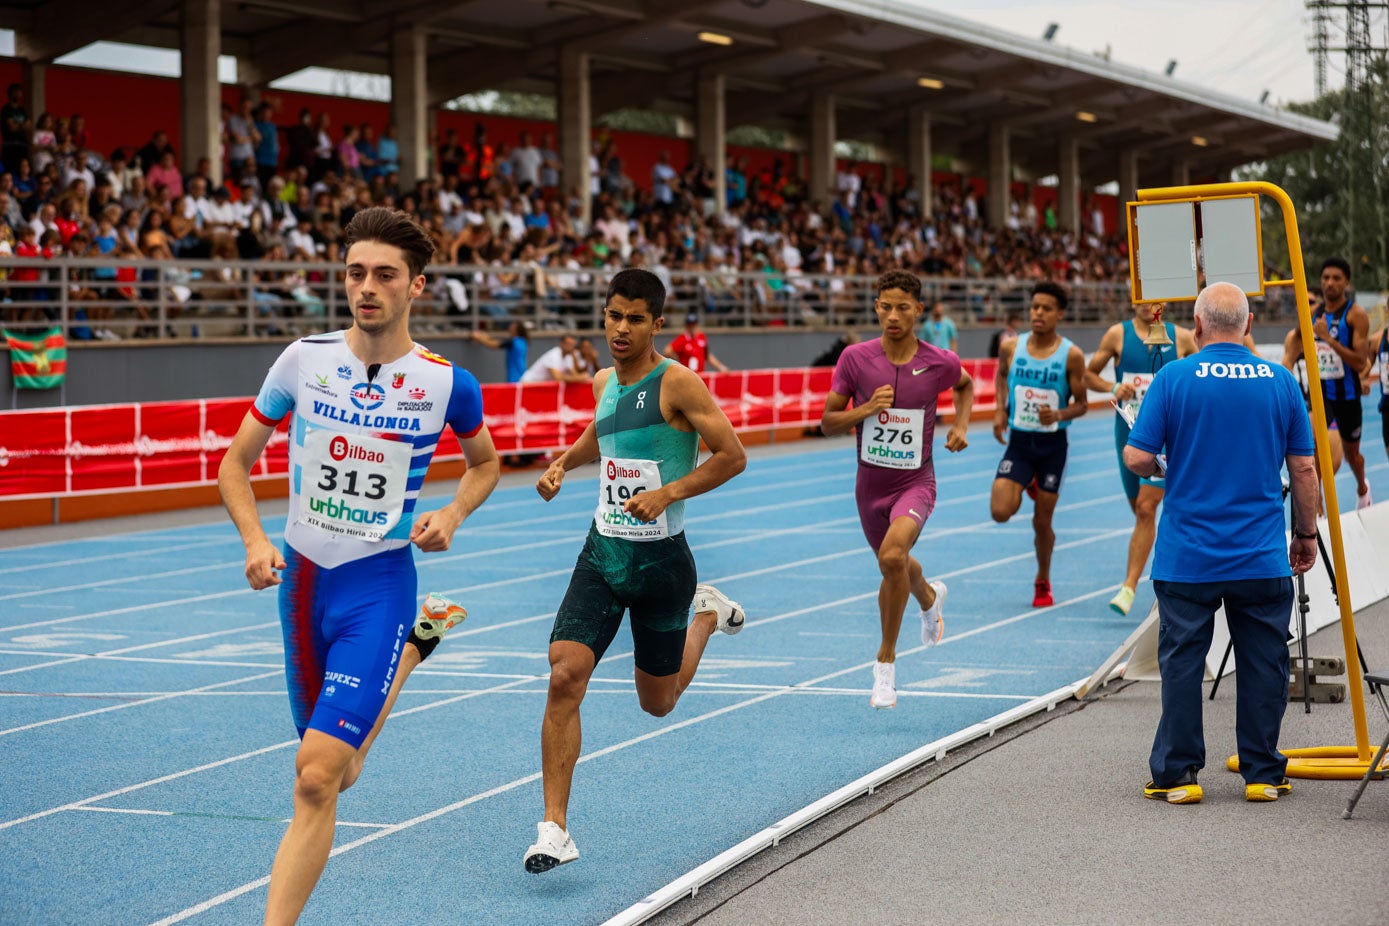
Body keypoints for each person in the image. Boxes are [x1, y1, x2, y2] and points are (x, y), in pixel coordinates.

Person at [217, 207, 501, 923]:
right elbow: (234, 464)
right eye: (355, 273)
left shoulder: (445, 384)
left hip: (378, 583)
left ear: (417, 286)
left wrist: (453, 513)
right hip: (303, 583)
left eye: (384, 275)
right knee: (338, 772)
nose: (365, 287)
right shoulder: (302, 361)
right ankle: (410, 657)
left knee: (313, 777)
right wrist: (255, 540)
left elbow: (487, 462)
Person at [526, 268, 748, 873]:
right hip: (602, 554)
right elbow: (604, 436)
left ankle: (705, 615)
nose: (620, 329)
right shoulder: (602, 380)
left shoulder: (679, 384)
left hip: (661, 563)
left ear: (656, 323)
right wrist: (562, 465)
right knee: (564, 675)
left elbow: (732, 456)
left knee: (659, 702)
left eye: (634, 319)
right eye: (613, 316)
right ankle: (554, 829)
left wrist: (668, 490)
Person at [1123, 281, 1318, 805]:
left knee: (1183, 663)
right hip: (1259, 553)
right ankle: (1262, 774)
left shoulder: (1173, 377)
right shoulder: (1279, 381)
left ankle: (1178, 777)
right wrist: (1305, 533)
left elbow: (1137, 459)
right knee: (1263, 661)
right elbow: (1302, 467)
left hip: (1189, 555)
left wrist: (1170, 462)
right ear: (1249, 325)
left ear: (1197, 326)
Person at [820, 270, 974, 708]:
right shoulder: (855, 358)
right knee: (896, 565)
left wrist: (961, 424)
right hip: (869, 488)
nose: (892, 315)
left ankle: (885, 664)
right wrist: (866, 409)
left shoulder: (939, 361)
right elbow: (827, 422)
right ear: (875, 307)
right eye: (885, 306)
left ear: (918, 311)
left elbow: (964, 385)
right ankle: (929, 597)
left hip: (915, 482)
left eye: (902, 307)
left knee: (891, 557)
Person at [1084, 301, 1197, 616]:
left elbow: (1201, 375)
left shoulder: (1183, 337)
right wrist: (1112, 386)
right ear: (1133, 300)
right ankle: (1171, 572)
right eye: (1142, 299)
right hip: (1130, 433)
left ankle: (1129, 586)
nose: (1149, 306)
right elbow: (1088, 376)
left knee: (1147, 508)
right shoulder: (1117, 335)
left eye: (1155, 300)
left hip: (1167, 436)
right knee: (1140, 510)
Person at [990, 281, 1087, 608]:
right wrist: (1000, 410)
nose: (1038, 314)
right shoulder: (1011, 347)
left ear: (1059, 313)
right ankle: (1025, 481)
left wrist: (1059, 412)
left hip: (1052, 447)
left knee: (1041, 521)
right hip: (1020, 442)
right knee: (1000, 511)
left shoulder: (1071, 355)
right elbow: (1001, 376)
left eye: (1046, 309)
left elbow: (1083, 404)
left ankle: (1042, 578)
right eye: (1034, 307)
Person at [1312, 257, 1372, 508]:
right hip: (1320, 396)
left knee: (1352, 456)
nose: (1330, 283)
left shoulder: (1356, 315)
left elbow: (1360, 362)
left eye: (1336, 278)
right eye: (1326, 278)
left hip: (1347, 396)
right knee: (1317, 455)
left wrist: (1330, 340)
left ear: (1346, 282)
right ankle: (1318, 509)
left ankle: (1362, 488)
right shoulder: (1313, 315)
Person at [1282, 290, 1345, 485]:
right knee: (1310, 460)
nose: (1305, 305)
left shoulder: (1331, 333)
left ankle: (1360, 488)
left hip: (1330, 401)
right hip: (1305, 404)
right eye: (1301, 302)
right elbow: (1286, 368)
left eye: (1310, 302)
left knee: (1333, 462)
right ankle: (1317, 508)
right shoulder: (1294, 337)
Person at [664, 312, 729, 373]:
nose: (692, 327)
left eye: (694, 324)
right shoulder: (683, 338)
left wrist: (720, 367)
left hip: (700, 375)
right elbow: (668, 351)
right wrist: (679, 363)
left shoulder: (701, 337)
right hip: (688, 375)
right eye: (690, 325)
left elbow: (707, 355)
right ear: (686, 326)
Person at [471, 319, 530, 383]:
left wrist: (478, 336)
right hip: (521, 377)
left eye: (511, 328)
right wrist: (483, 336)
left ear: (516, 330)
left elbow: (492, 345)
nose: (509, 329)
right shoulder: (522, 342)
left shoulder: (513, 342)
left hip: (514, 379)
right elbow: (492, 342)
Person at [520, 333, 591, 383]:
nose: (571, 347)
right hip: (528, 383)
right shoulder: (553, 355)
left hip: (539, 386)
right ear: (561, 344)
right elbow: (557, 377)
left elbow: (574, 374)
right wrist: (580, 378)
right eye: (569, 344)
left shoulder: (569, 357)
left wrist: (580, 377)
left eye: (573, 345)